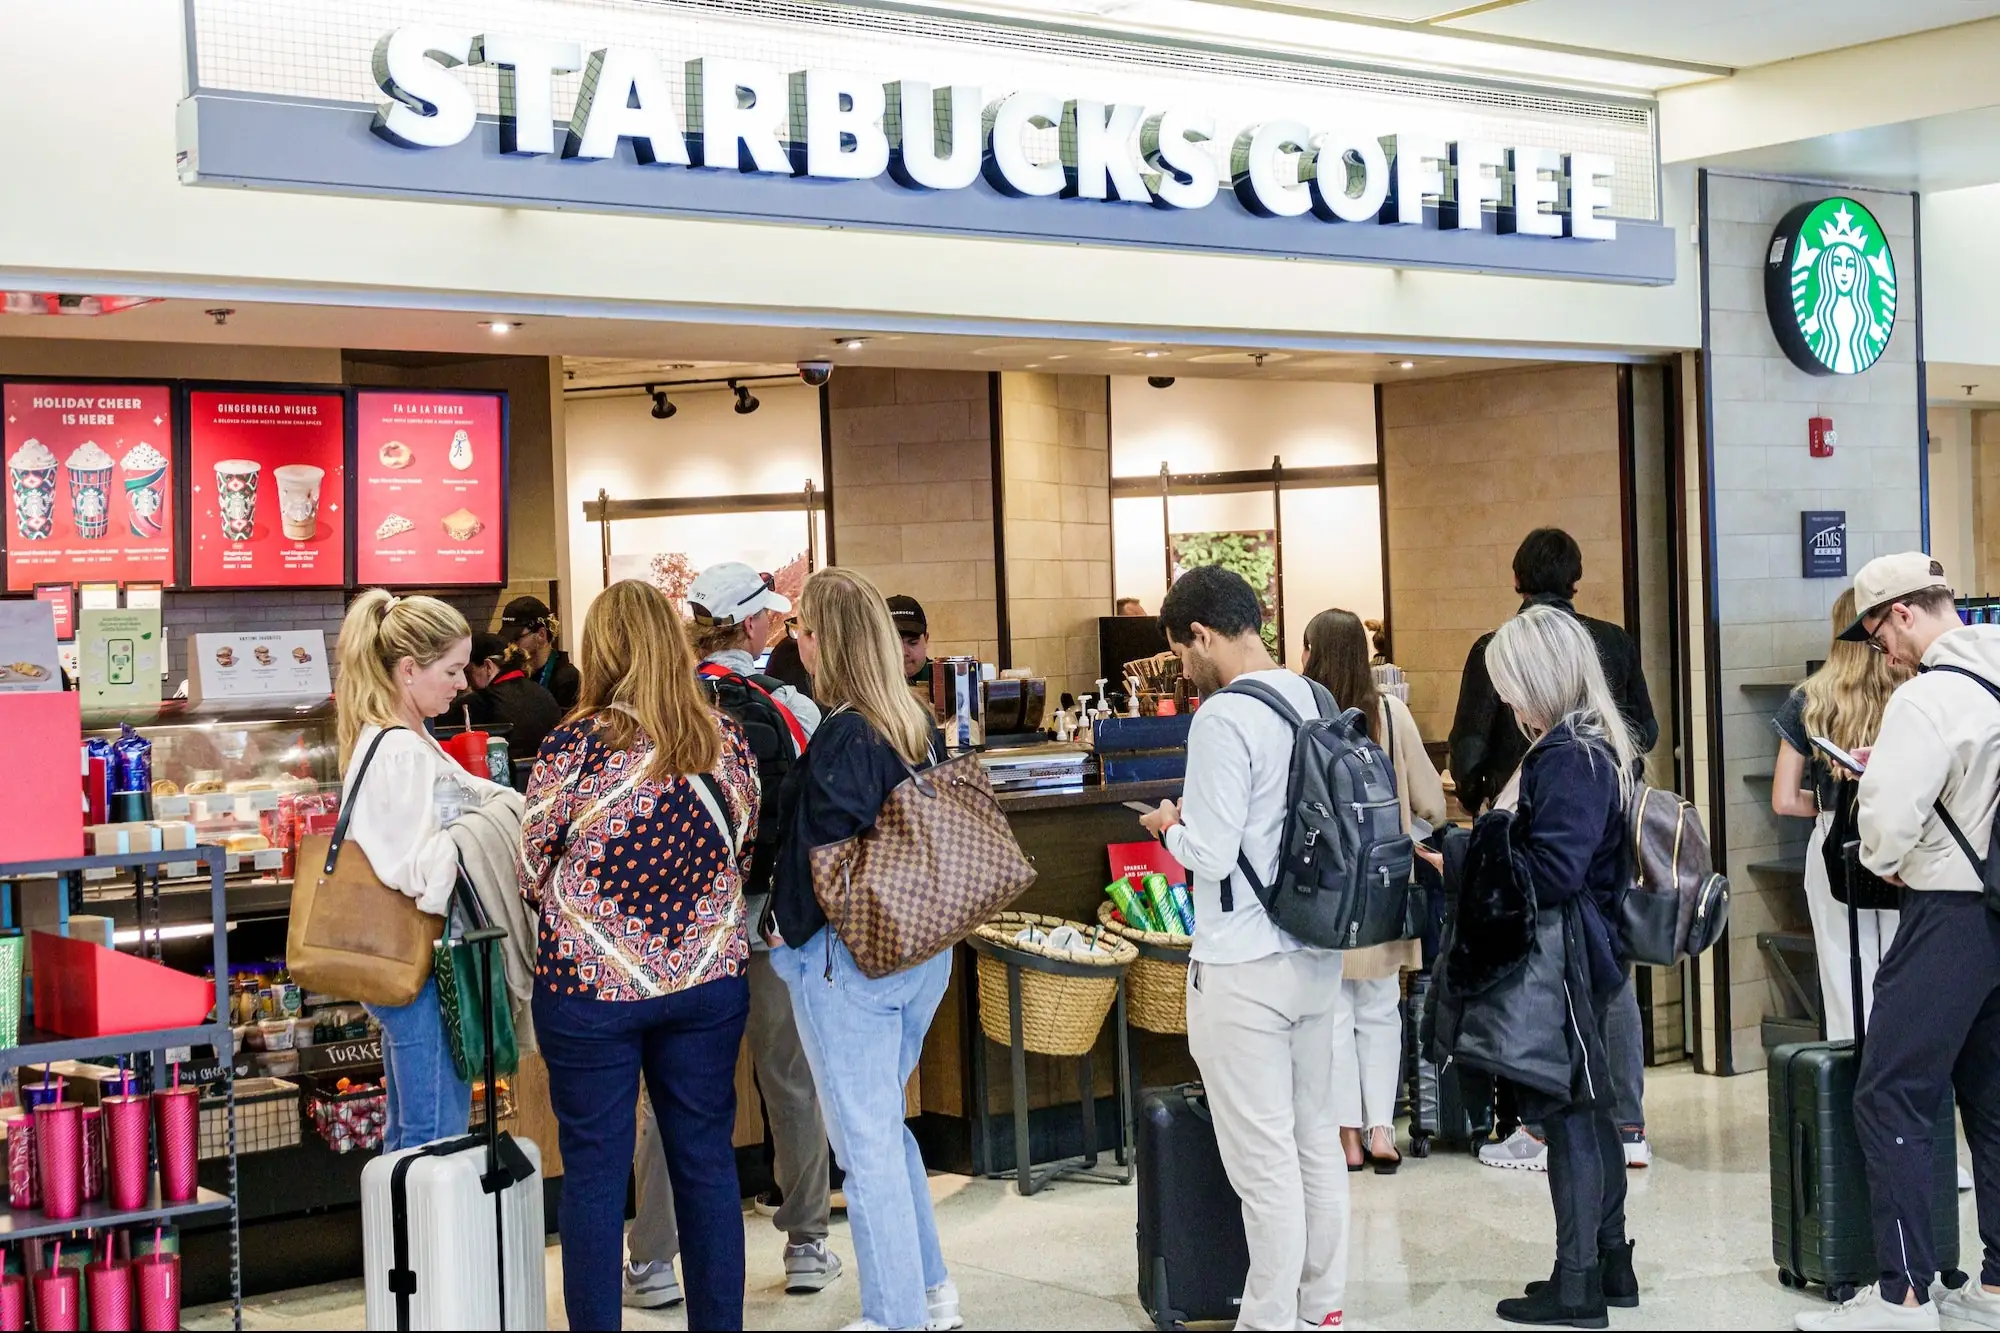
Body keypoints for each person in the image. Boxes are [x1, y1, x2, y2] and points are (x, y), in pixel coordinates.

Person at [517, 580, 758, 1333]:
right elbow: (742, 848)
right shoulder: (727, 738)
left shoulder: (575, 743)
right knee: (707, 1162)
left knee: (593, 1174)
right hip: (707, 980)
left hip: (590, 989)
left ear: (604, 651)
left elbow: (531, 865)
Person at [622, 562, 839, 1310]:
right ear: (750, 625)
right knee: (792, 1083)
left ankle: (651, 1261)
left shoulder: (655, 711)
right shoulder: (789, 708)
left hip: (686, 937)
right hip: (776, 929)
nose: (776, 626)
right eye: (770, 617)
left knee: (671, 1094)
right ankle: (808, 1242)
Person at [1138, 565, 1349, 1331]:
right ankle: (1322, 1306)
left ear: (1201, 634)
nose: (1184, 668)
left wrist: (1168, 825)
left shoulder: (1223, 717)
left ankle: (1267, 1321)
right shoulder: (1313, 696)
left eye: (1181, 651)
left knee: (1263, 1165)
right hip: (1314, 951)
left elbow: (1215, 851)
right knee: (1315, 1141)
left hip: (1242, 965)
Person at [1798, 553, 2000, 1332]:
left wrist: (1881, 786)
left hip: (1947, 917)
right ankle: (1994, 1286)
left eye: (1879, 630)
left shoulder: (1928, 701)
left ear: (1907, 613)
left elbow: (1882, 840)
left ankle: (1904, 1294)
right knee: (1990, 1097)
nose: (1882, 650)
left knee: (1892, 1093)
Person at [765, 567, 963, 1333]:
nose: (798, 644)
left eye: (803, 630)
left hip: (852, 964)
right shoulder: (913, 719)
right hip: (920, 951)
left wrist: (781, 928)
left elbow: (823, 854)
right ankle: (931, 1289)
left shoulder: (845, 730)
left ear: (825, 640)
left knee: (866, 1141)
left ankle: (895, 1313)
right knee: (883, 1128)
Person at [1453, 604, 1641, 1328]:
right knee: (1591, 1110)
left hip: (1568, 954)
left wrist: (1485, 840)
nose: (1505, 700)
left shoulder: (1566, 755)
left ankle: (1578, 1281)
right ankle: (1608, 1259)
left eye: (1510, 684)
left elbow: (1553, 870)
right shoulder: (1597, 744)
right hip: (1595, 951)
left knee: (1567, 1115)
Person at [1454, 529, 1657, 1173]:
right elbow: (1645, 728)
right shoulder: (1615, 643)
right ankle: (1625, 1123)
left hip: (1539, 837)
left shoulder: (1500, 651)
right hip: (1612, 829)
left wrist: (1485, 815)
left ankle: (1543, 1126)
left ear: (1516, 581)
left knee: (1546, 981)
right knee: (1609, 978)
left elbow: (1468, 748)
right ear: (1577, 577)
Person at [333, 590, 509, 1151]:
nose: (462, 684)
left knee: (411, 1131)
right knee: (433, 1137)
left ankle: (401, 1238)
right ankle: (424, 1241)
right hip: (421, 967)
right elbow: (414, 870)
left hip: (402, 968)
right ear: (409, 670)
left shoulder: (400, 739)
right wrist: (474, 838)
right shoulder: (400, 751)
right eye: (452, 670)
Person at [1301, 608, 1446, 1175]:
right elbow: (1432, 801)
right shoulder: (1390, 712)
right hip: (1386, 883)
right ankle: (1382, 1129)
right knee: (1382, 1009)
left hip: (1329, 891)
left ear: (1315, 653)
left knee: (1333, 1013)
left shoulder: (1307, 717)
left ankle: (1346, 1140)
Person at [1769, 589, 1907, 1041]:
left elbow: (1784, 800)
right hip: (1902, 839)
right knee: (1901, 965)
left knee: (1845, 972)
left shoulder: (1808, 700)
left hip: (1832, 843)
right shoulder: (1911, 691)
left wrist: (1829, 807)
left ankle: (1854, 1089)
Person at [460, 631, 564, 784]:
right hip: (550, 783)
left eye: (468, 672)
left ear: (488, 666)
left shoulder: (479, 702)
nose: (465, 682)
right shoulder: (544, 694)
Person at [501, 594, 580, 711]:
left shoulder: (568, 679)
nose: (511, 645)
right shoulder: (510, 672)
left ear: (541, 635)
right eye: (507, 639)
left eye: (517, 638)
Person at [887, 594, 932, 685]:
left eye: (912, 643)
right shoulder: (863, 686)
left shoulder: (946, 683)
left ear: (926, 639)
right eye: (893, 644)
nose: (903, 652)